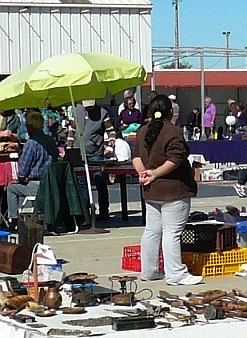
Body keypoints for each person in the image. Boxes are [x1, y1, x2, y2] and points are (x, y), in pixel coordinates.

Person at [132, 94, 201, 286]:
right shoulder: (172, 131)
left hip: (151, 190)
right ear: (170, 112)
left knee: (152, 231)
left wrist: (144, 173)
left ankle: (150, 270)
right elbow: (176, 159)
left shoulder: (142, 131)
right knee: (172, 231)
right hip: (174, 189)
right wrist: (154, 173)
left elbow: (136, 156)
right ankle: (176, 274)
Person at [7, 112, 57, 231]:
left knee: (11, 188)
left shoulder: (31, 143)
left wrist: (19, 179)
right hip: (51, 183)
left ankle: (13, 220)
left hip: (37, 184)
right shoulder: (50, 140)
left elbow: (23, 170)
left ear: (30, 127)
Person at [68, 100, 115, 220]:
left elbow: (110, 129)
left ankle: (104, 211)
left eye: (91, 107)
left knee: (99, 180)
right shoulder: (76, 111)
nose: (89, 109)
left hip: (95, 153)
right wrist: (69, 146)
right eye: (87, 107)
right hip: (79, 152)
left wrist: (112, 139)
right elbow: (71, 131)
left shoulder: (103, 113)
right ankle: (85, 212)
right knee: (81, 182)